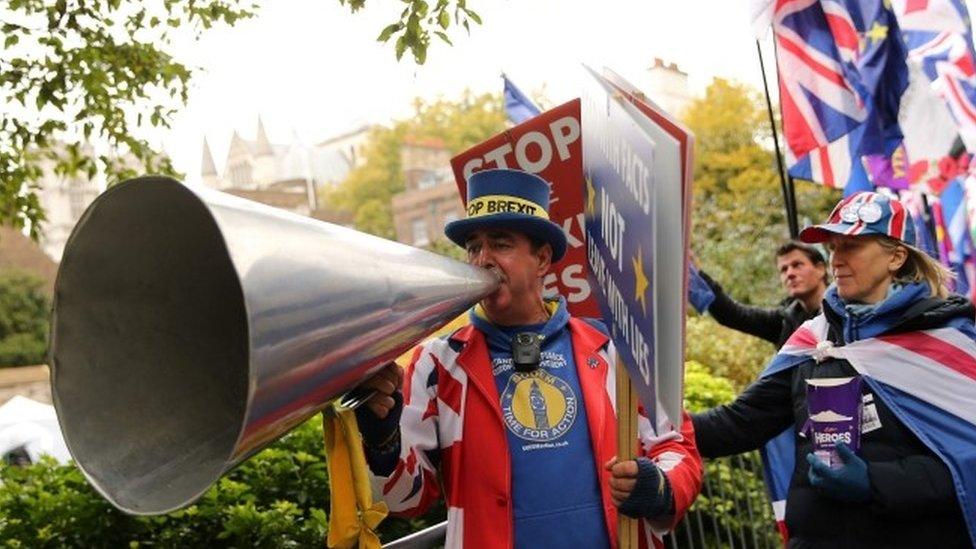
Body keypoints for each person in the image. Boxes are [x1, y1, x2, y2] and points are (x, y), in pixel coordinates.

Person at [354, 168, 703, 548]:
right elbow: (405, 498)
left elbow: (676, 446)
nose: (482, 259)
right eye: (473, 247)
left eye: (501, 244)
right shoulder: (437, 363)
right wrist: (382, 440)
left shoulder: (615, 347)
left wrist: (659, 486)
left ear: (542, 259)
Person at [692, 191, 976, 548]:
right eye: (834, 247)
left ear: (896, 257)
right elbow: (739, 423)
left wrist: (876, 481)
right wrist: (658, 423)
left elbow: (969, 462)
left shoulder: (950, 342)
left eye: (852, 246)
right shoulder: (814, 340)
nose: (837, 259)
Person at [694, 241, 828, 348]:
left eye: (797, 265)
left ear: (820, 269)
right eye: (783, 269)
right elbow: (732, 314)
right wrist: (695, 274)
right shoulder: (785, 321)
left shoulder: (843, 314)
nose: (790, 273)